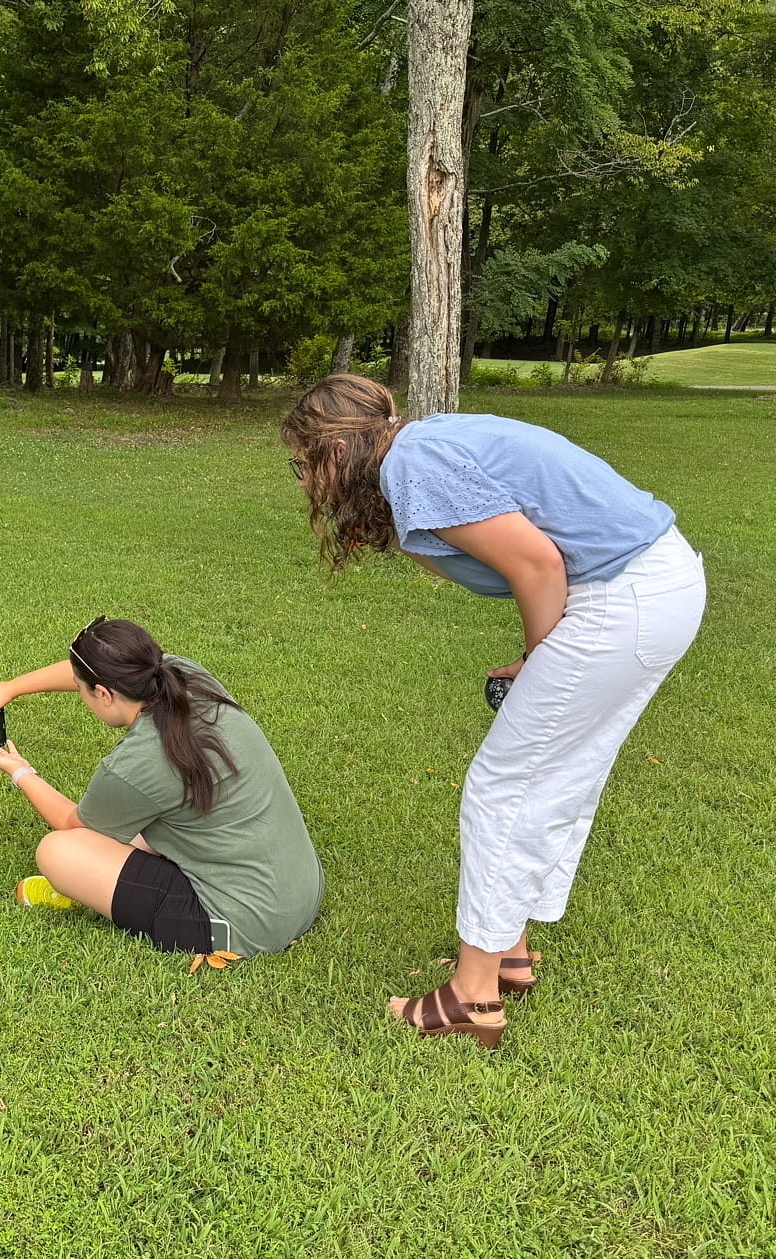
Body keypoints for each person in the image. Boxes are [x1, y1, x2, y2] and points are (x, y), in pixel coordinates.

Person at [282, 373, 705, 1047]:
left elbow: (537, 565)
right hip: (649, 588)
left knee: (503, 784)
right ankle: (506, 952)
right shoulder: (418, 452)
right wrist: (538, 658)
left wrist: (540, 660)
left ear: (335, 449)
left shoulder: (414, 465)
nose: (303, 484)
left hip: (626, 598)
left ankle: (472, 997)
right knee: (555, 775)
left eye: (302, 465)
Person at [0, 617, 324, 958]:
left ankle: (84, 887)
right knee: (132, 830)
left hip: (246, 926)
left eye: (82, 692)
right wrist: (11, 688)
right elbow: (84, 673)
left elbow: (74, 825)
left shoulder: (138, 761)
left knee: (59, 851)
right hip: (302, 890)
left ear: (104, 694)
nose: (81, 695)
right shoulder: (183, 675)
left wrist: (21, 772)